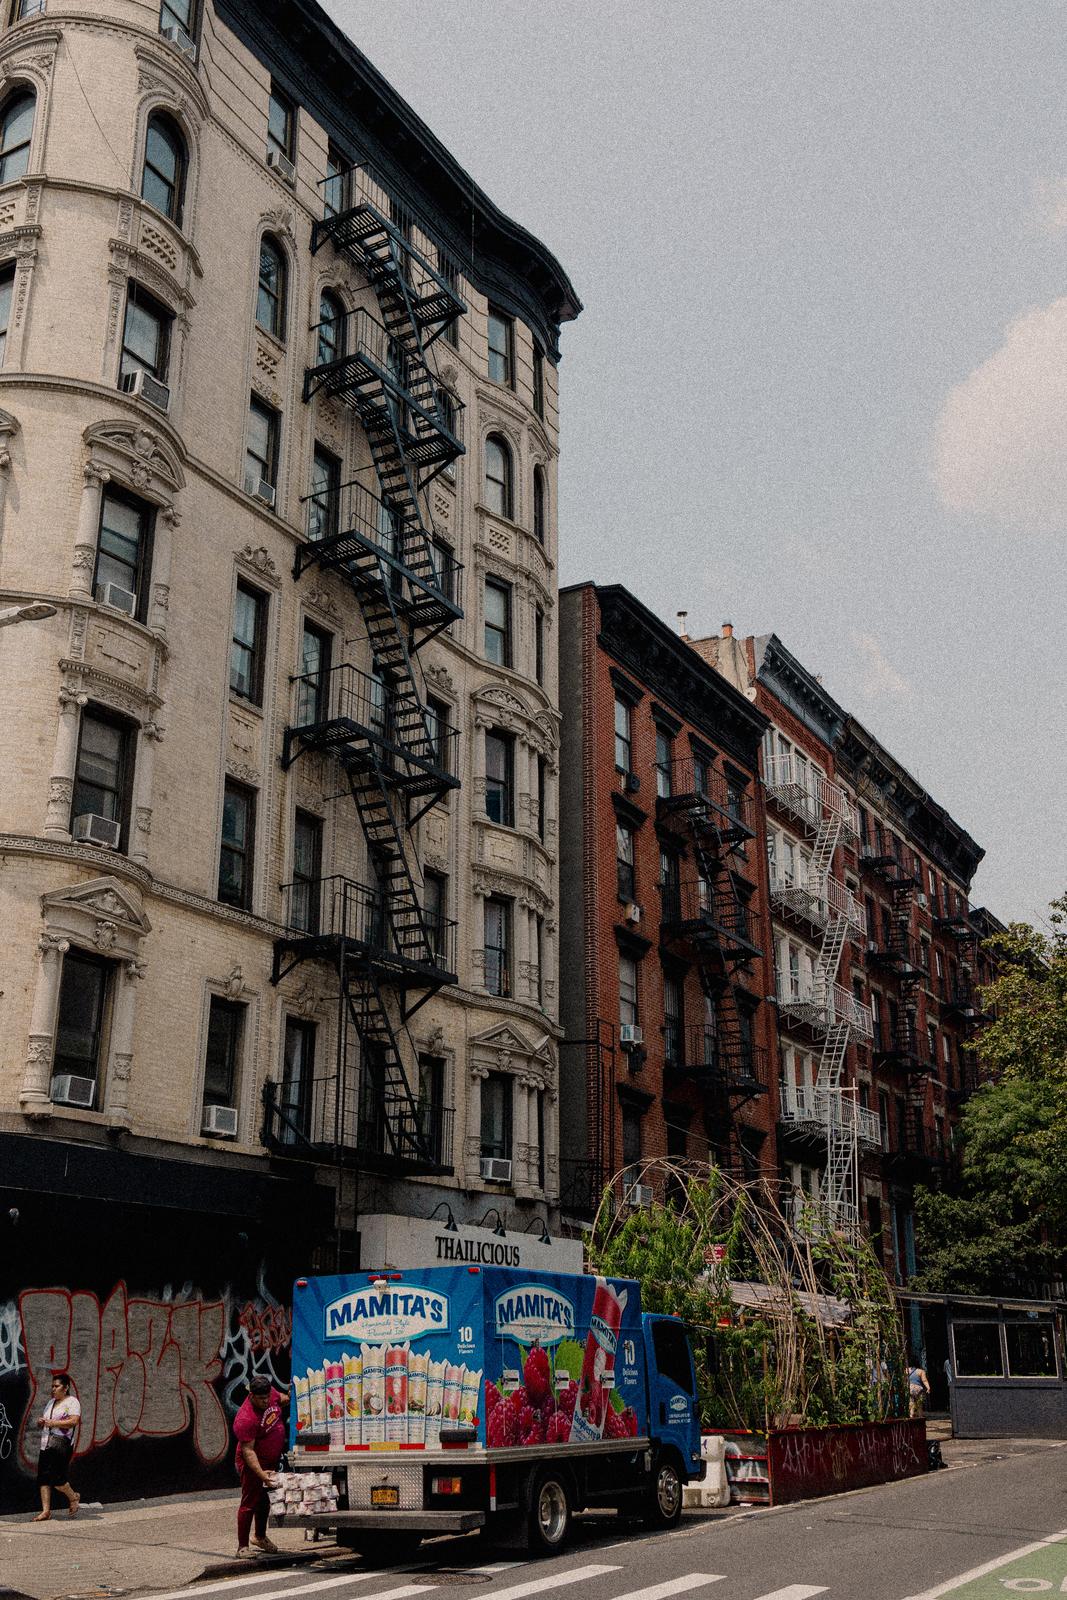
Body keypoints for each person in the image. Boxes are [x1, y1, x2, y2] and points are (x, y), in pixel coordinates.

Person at [232, 1375, 286, 1558]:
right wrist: (261, 1474)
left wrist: (293, 1396)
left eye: (267, 1397)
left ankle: (260, 1537)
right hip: (253, 1464)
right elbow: (248, 1452)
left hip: (270, 1462)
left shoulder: (271, 1394)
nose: (266, 1401)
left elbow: (282, 1399)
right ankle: (242, 1547)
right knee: (249, 1502)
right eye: (261, 1399)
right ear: (252, 1396)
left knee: (264, 1500)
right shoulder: (245, 1418)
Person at [33, 1373, 81, 1521]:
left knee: (58, 1480)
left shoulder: (72, 1402)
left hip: (62, 1445)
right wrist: (41, 1422)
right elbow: (46, 1422)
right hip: (46, 1443)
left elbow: (74, 1421)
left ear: (65, 1388)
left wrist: (53, 1423)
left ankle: (73, 1497)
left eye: (57, 1386)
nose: (53, 1389)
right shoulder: (51, 1403)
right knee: (43, 1478)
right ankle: (46, 1511)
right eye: (52, 1386)